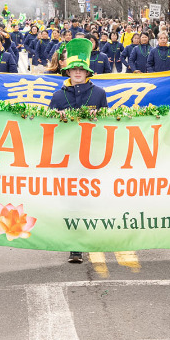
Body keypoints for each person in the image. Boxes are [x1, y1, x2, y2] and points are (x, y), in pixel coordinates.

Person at [48, 38, 109, 265]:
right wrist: (59, 120)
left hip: (92, 157)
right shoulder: (57, 96)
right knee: (70, 201)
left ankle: (89, 236)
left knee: (89, 200)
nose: (77, 72)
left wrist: (98, 120)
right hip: (67, 157)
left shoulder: (99, 94)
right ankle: (75, 246)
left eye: (81, 69)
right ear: (67, 70)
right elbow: (48, 129)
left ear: (87, 71)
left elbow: (107, 126)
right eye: (74, 68)